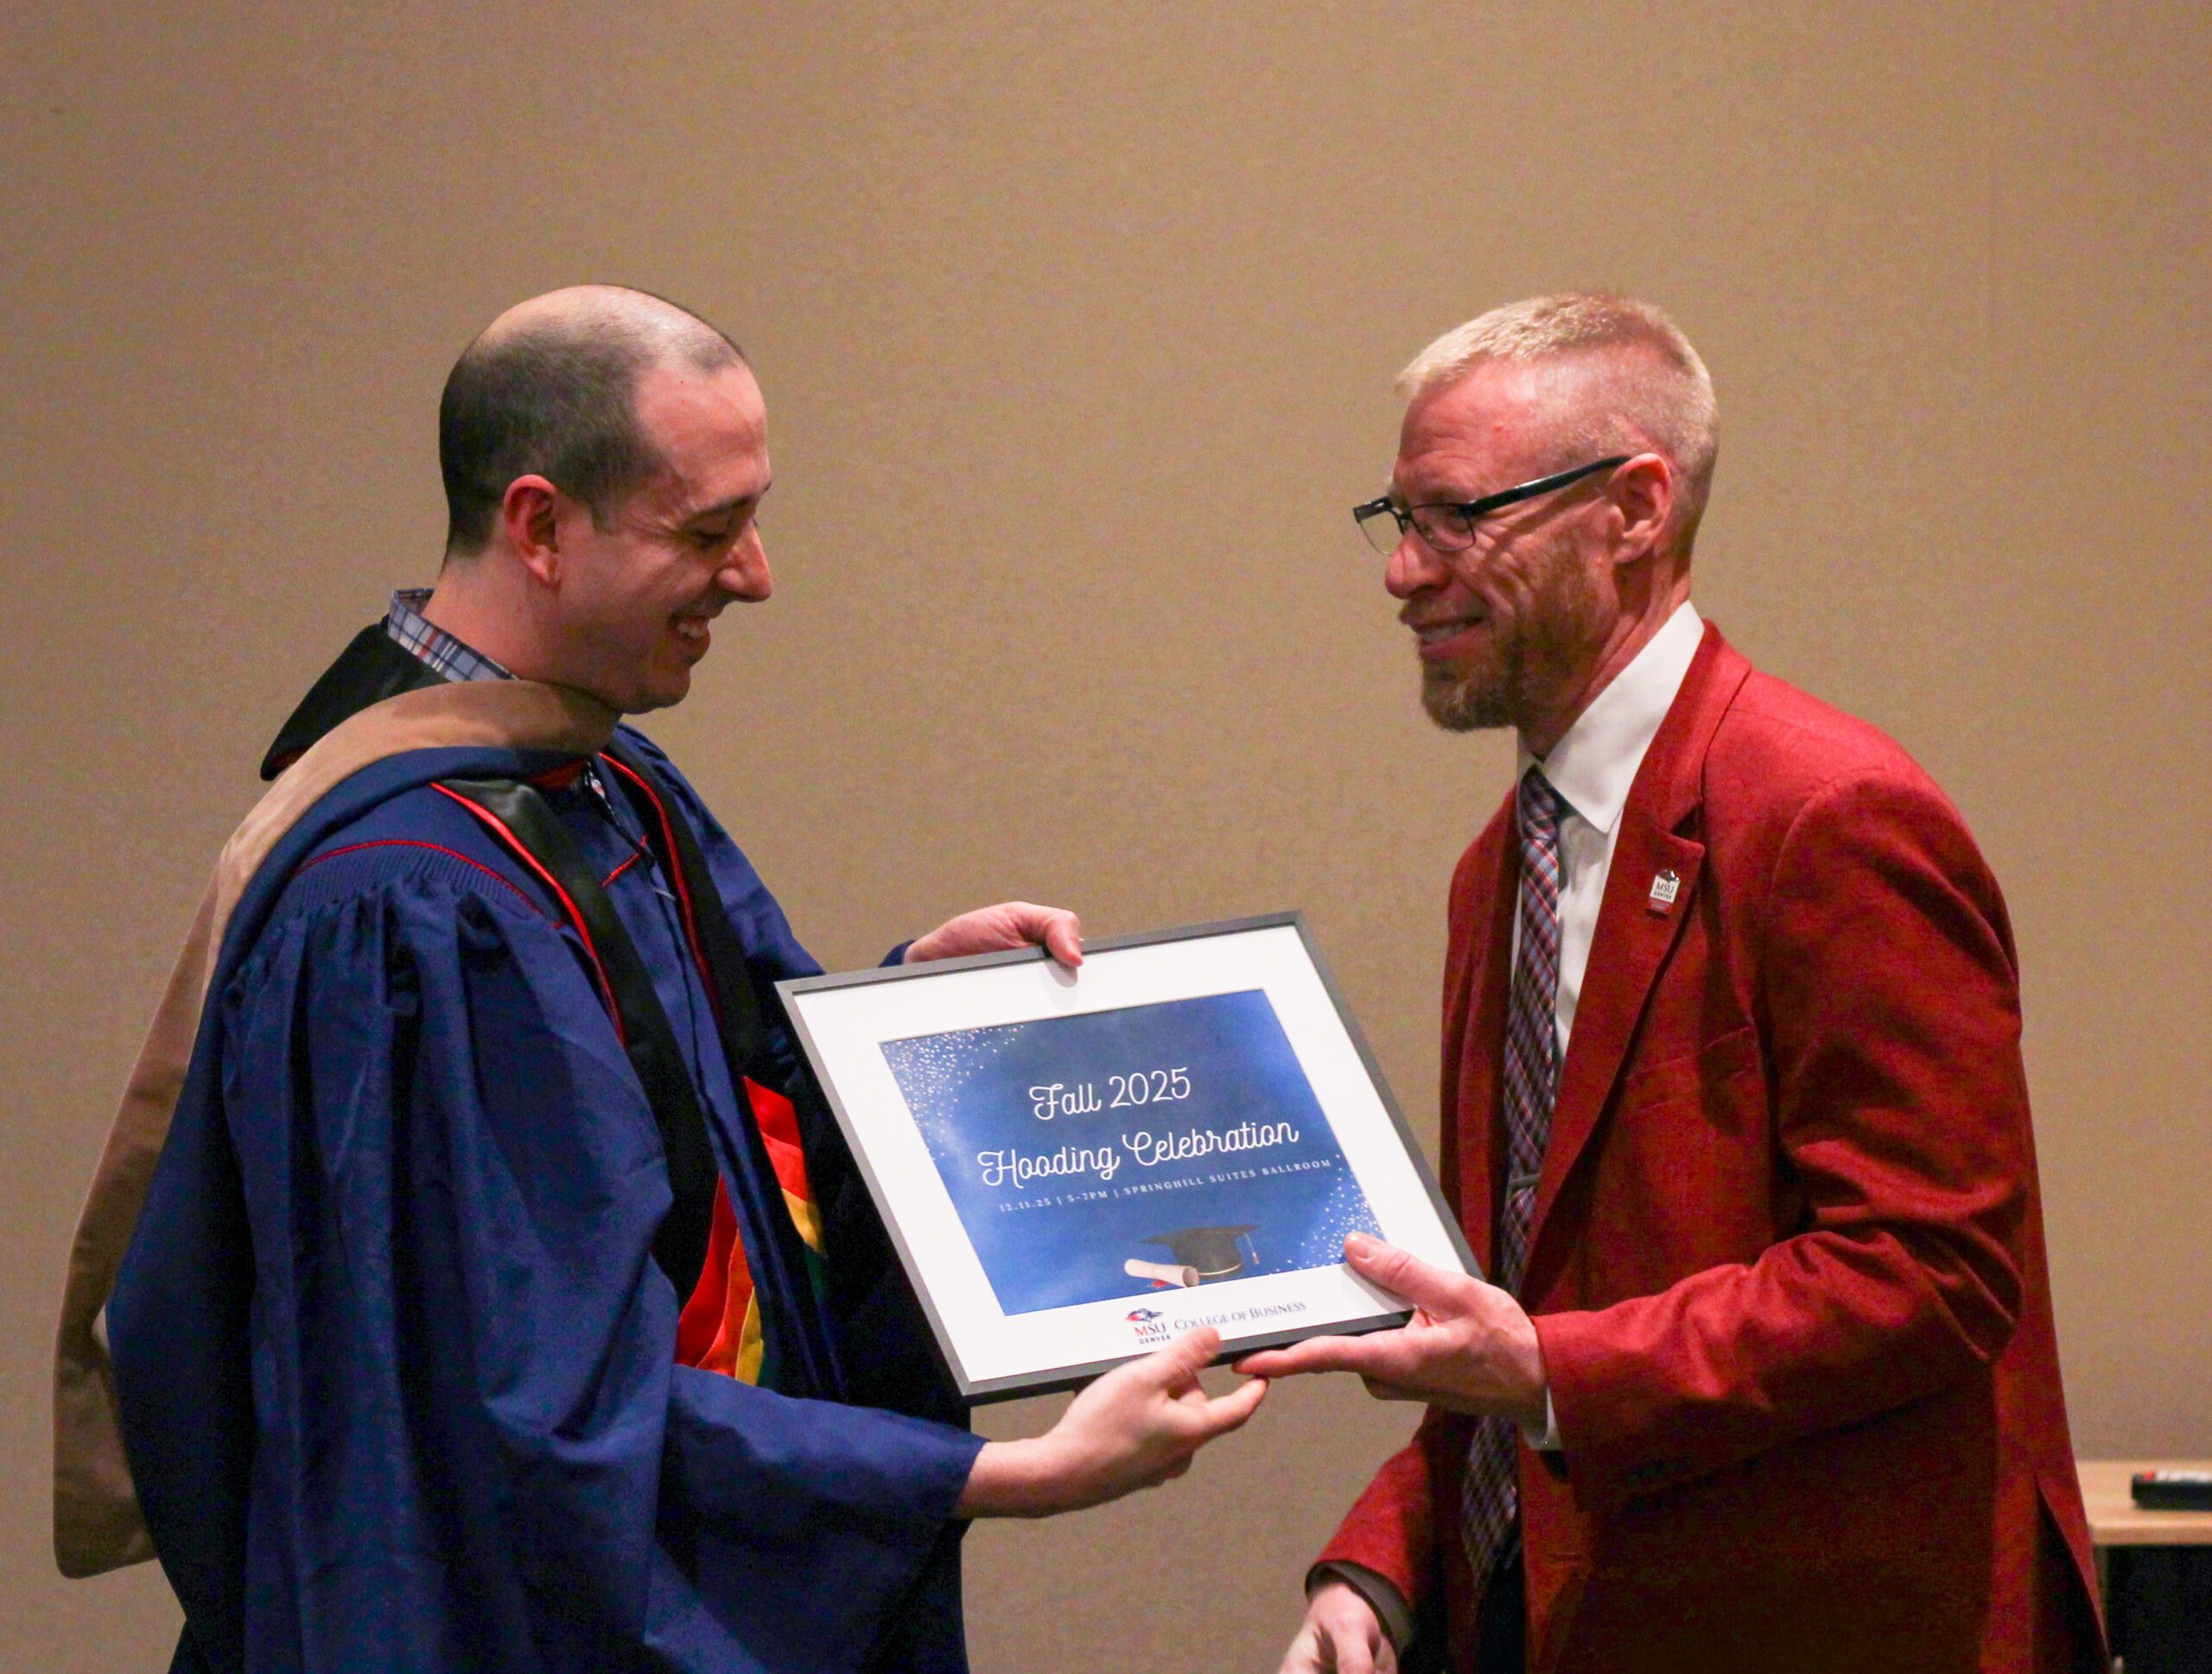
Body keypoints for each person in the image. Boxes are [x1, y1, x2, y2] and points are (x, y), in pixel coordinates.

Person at [68, 285, 1264, 1673]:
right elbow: (519, 1404)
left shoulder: (602, 782)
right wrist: (1000, 1476)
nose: (755, 574)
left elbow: (726, 1168)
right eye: (706, 530)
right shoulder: (407, 904)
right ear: (540, 526)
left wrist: (904, 1022)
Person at [1238, 295, 2103, 1672]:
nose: (1405, 572)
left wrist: (1548, 1372)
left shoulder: (1831, 818)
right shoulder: (1500, 869)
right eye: (1397, 519)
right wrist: (1389, 1562)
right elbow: (1521, 1306)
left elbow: (1929, 1270)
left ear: (1636, 508)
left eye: (1457, 517)